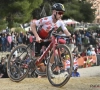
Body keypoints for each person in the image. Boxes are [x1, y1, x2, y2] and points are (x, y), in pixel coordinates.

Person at [31, 3, 71, 77]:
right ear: (54, 12)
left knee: (55, 51)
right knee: (37, 60)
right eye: (60, 13)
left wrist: (70, 36)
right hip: (39, 38)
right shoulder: (46, 19)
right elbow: (33, 25)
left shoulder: (60, 22)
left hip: (48, 39)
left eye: (62, 13)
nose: (61, 15)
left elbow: (66, 31)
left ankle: (49, 68)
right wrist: (36, 36)